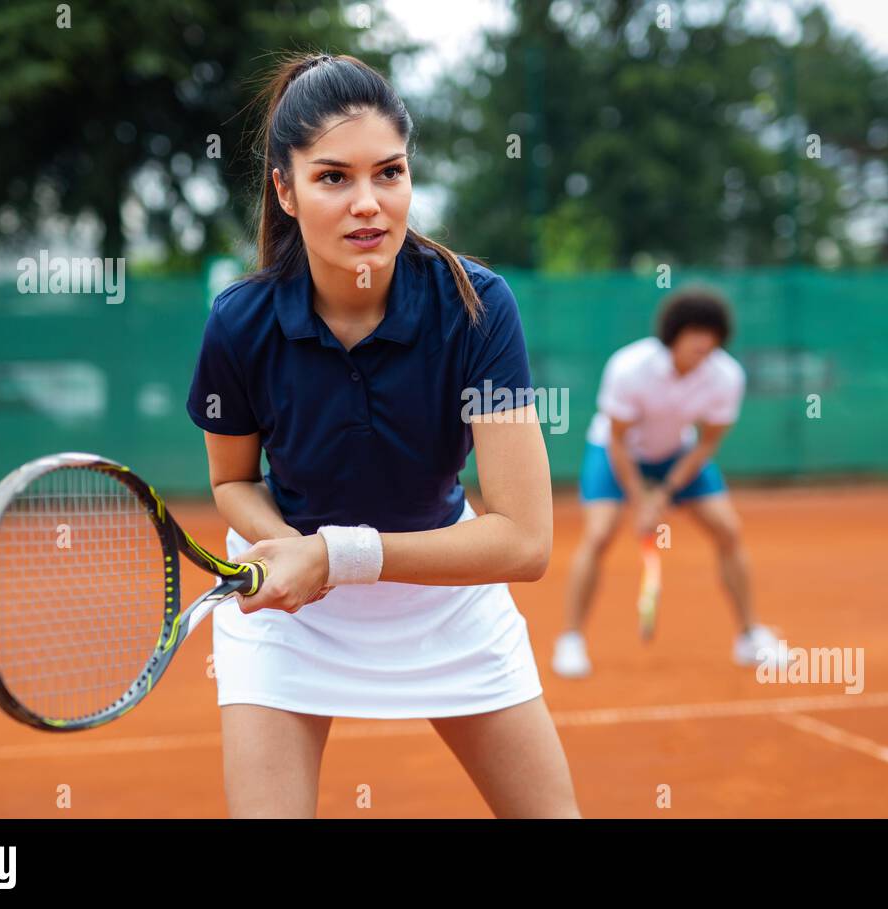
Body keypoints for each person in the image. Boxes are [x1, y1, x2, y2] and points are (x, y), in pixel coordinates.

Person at [185, 51, 579, 818]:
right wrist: (279, 550)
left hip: (446, 596)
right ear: (285, 190)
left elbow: (525, 542)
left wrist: (337, 555)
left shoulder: (478, 306)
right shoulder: (239, 322)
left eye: (389, 173)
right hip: (291, 620)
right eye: (334, 177)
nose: (368, 203)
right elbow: (233, 480)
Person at [551, 286, 786, 678]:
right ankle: (571, 640)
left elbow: (708, 442)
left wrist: (665, 492)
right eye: (694, 331)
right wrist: (639, 501)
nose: (702, 341)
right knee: (599, 535)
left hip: (678, 455)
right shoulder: (629, 367)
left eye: (710, 333)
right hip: (616, 451)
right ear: (673, 334)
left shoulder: (726, 376)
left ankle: (750, 637)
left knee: (728, 529)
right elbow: (619, 440)